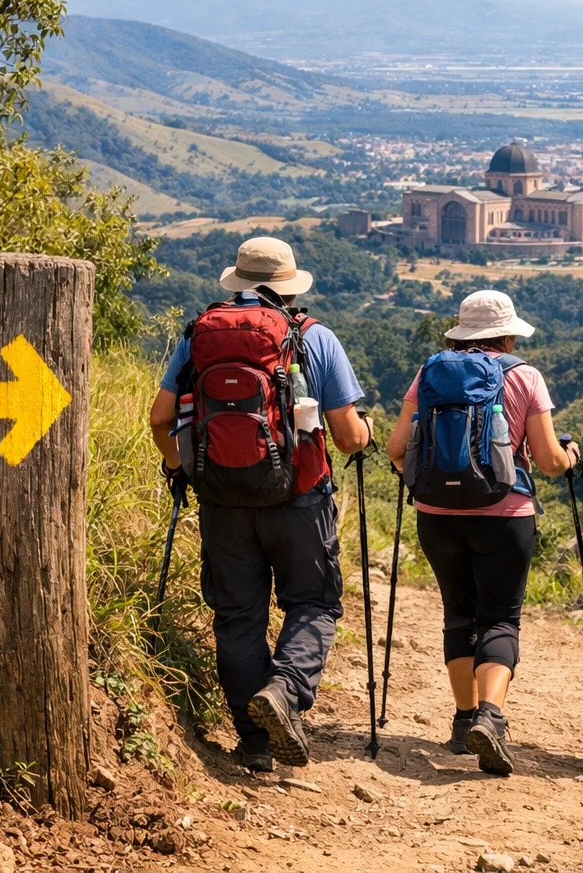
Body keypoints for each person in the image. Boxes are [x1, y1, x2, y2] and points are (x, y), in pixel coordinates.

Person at [149, 236, 373, 773]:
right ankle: (287, 689)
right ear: (288, 286)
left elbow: (160, 419)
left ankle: (254, 743)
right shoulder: (314, 338)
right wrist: (364, 432)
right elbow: (346, 437)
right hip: (299, 498)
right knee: (313, 604)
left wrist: (179, 466)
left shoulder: (199, 336)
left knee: (238, 616)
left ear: (239, 281)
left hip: (222, 499)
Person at [386, 289, 581, 776]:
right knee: (499, 618)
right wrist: (570, 456)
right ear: (509, 334)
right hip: (504, 514)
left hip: (435, 513)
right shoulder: (525, 376)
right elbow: (551, 462)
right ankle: (490, 718)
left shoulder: (430, 372)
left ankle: (461, 720)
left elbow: (395, 448)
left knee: (458, 614)